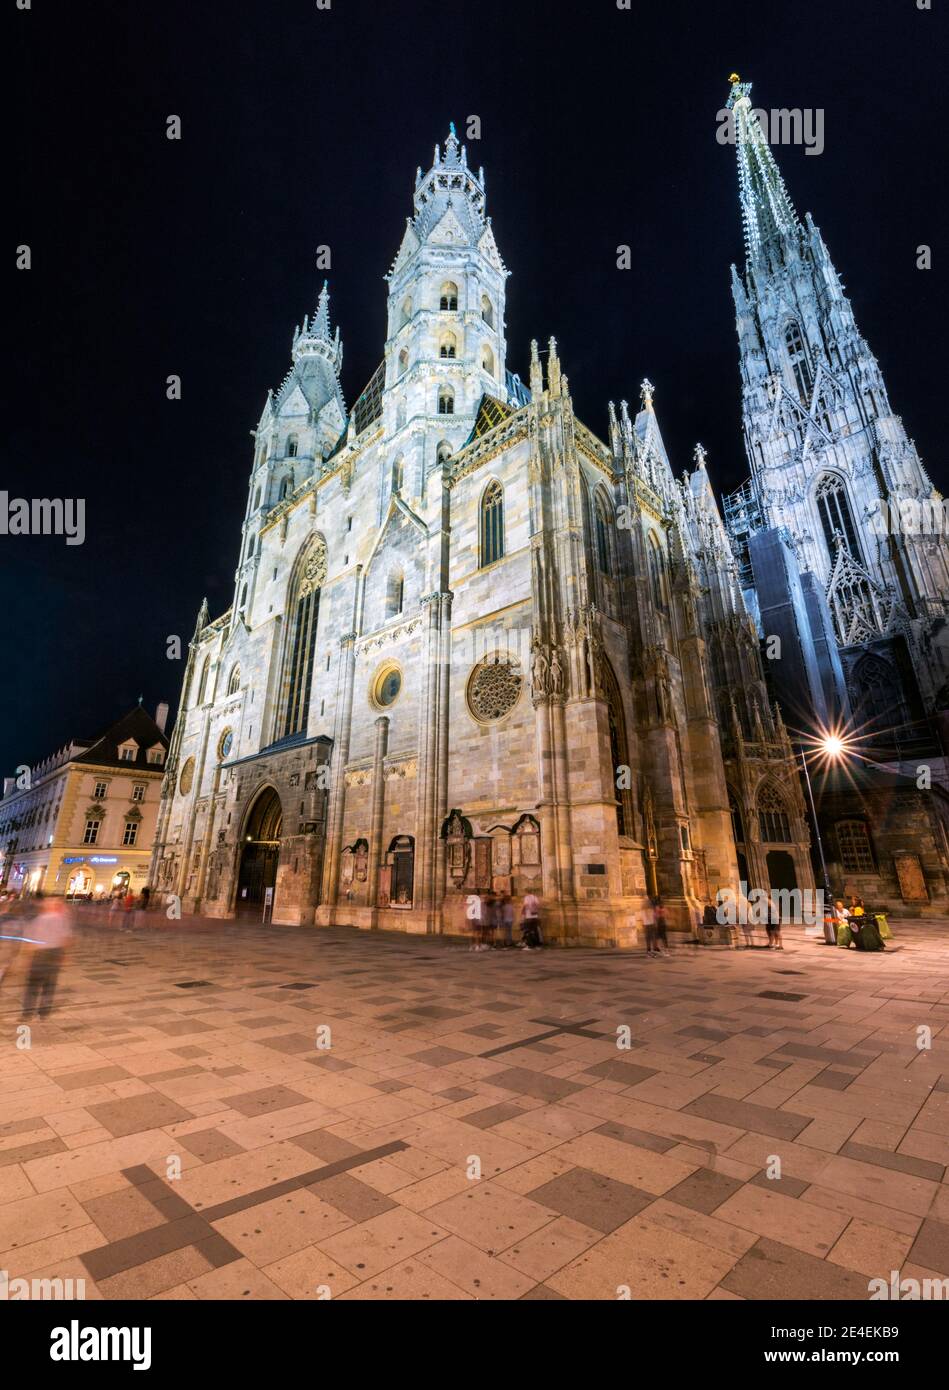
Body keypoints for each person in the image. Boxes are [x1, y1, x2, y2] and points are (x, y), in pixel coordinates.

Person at [22, 894, 73, 1020]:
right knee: (48, 985)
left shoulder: (38, 919)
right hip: (52, 954)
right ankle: (42, 1013)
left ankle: (29, 1013)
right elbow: (66, 938)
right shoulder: (60, 919)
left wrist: (28, 956)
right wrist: (64, 955)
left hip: (41, 954)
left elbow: (29, 940)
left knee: (35, 985)